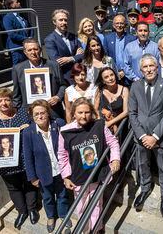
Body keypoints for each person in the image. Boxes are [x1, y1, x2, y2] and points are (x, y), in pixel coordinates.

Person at [0, 88, 38, 230]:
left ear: (12, 100)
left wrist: (30, 127)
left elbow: (38, 125)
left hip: (25, 160)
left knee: (29, 184)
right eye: (0, 101)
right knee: (13, 188)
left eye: (7, 99)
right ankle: (22, 212)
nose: (4, 103)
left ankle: (32, 209)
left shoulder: (22, 113)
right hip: (5, 165)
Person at [58, 98, 120, 232]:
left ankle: (96, 229)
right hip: (78, 177)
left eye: (87, 112)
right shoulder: (65, 131)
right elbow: (62, 155)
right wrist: (65, 176)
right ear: (74, 113)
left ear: (91, 112)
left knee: (97, 205)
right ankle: (84, 230)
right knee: (81, 206)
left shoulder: (99, 125)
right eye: (80, 112)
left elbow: (113, 143)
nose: (83, 116)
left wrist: (115, 159)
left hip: (97, 174)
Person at [128, 54, 163, 218]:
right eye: (145, 67)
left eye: (151, 66)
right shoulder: (135, 86)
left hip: (159, 137)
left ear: (157, 67)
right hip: (141, 137)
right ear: (141, 70)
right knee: (143, 164)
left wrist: (154, 136)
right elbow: (132, 114)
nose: (148, 69)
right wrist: (142, 136)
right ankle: (145, 188)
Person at [22, 100, 70, 233]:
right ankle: (50, 217)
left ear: (48, 113)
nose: (40, 116)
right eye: (36, 114)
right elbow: (28, 157)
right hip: (42, 173)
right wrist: (32, 177)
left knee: (62, 195)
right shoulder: (28, 133)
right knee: (47, 198)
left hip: (61, 170)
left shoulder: (58, 124)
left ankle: (63, 214)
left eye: (42, 113)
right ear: (32, 116)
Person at [12, 38, 66, 119]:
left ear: (40, 50)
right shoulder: (18, 69)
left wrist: (58, 97)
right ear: (25, 52)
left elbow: (63, 85)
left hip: (52, 111)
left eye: (35, 49)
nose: (33, 52)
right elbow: (17, 95)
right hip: (29, 113)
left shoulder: (54, 65)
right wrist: (19, 114)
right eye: (29, 50)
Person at [45, 9, 83, 84]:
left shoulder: (73, 36)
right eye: (60, 20)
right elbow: (57, 61)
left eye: (65, 20)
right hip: (64, 78)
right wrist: (76, 57)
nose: (64, 22)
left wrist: (70, 58)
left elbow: (83, 55)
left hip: (79, 74)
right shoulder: (50, 40)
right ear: (54, 22)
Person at [103, 15, 136, 84]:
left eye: (121, 23)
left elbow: (133, 58)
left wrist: (124, 71)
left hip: (128, 76)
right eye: (117, 23)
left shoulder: (132, 39)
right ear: (113, 25)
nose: (119, 25)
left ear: (125, 25)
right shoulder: (107, 38)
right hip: (112, 75)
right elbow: (106, 57)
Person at [94, 67, 129, 133]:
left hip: (121, 125)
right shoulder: (100, 90)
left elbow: (126, 112)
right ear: (103, 81)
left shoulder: (124, 90)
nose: (110, 78)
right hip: (104, 125)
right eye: (106, 77)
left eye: (112, 75)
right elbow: (95, 109)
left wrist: (110, 122)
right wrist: (102, 122)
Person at [3, 0, 33, 65]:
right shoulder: (7, 18)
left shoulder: (21, 15)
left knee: (28, 65)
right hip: (16, 47)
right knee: (18, 68)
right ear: (12, 5)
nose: (19, 3)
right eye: (16, 2)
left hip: (26, 46)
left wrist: (30, 37)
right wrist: (26, 39)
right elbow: (12, 34)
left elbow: (30, 27)